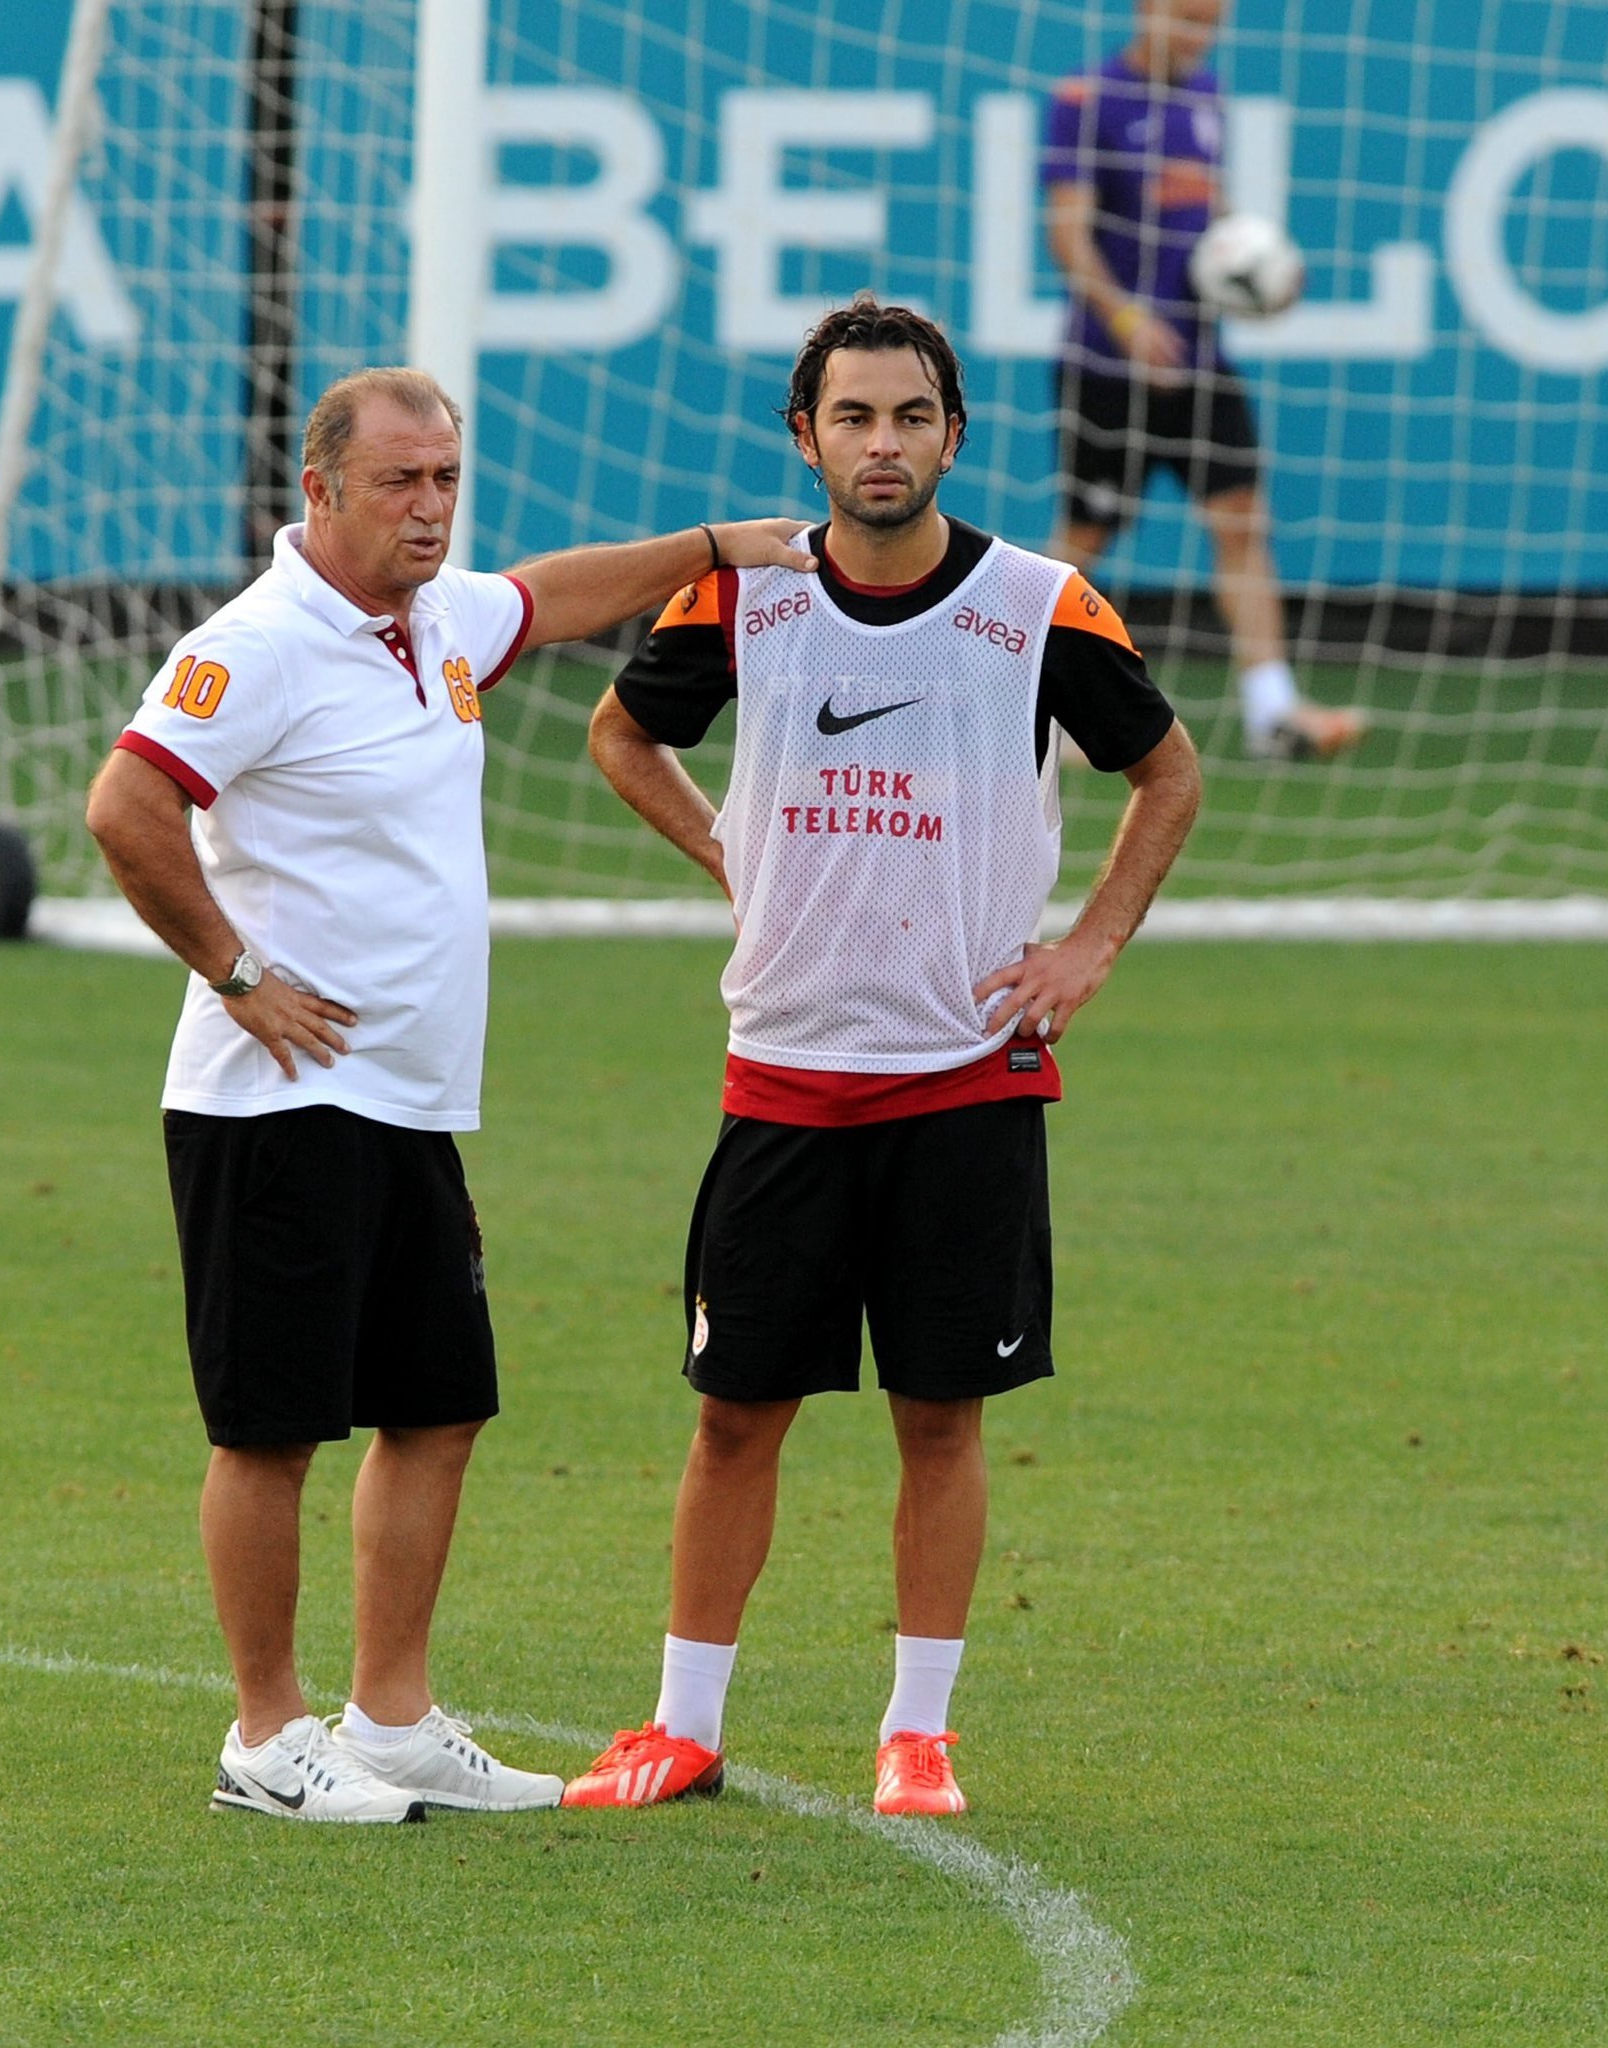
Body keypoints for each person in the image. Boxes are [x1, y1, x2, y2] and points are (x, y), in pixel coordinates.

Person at [86, 367, 812, 1824]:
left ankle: (394, 1716)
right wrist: (236, 971)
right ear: (319, 490)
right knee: (272, 1428)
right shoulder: (255, 643)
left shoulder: (438, 622)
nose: (428, 510)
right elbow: (125, 804)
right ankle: (264, 1736)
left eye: (444, 481)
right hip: (275, 1100)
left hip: (412, 1100)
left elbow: (548, 596)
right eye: (398, 483)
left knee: (435, 1408)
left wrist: (711, 549)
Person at [562, 297, 1201, 1818]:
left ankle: (917, 1733)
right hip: (782, 1072)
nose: (881, 444)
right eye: (851, 417)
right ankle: (683, 1724)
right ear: (805, 437)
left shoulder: (1039, 605)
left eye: (910, 416)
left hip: (962, 1078)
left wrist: (1087, 949)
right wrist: (726, 851)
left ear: (952, 436)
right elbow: (618, 734)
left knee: (938, 1413)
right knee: (733, 1413)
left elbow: (1167, 771)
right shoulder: (744, 596)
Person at [1041, 0, 1365, 761]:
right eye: (1186, 18)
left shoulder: (1205, 97)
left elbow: (1210, 218)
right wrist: (1126, 319)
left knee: (1241, 518)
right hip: (1109, 362)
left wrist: (1260, 270)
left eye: (1210, 24)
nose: (1197, 37)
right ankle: (1034, 707)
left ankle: (1272, 713)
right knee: (1085, 538)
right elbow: (1067, 232)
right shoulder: (1087, 100)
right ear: (1146, 10)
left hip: (1198, 355)